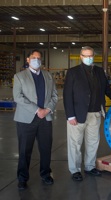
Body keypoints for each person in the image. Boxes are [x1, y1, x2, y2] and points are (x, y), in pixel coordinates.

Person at [63, 46, 111, 181]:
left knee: (93, 142)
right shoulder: (73, 72)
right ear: (81, 57)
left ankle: (90, 167)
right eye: (86, 56)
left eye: (91, 55)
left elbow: (107, 89)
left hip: (95, 113)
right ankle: (75, 170)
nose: (89, 58)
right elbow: (67, 94)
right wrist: (70, 115)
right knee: (75, 143)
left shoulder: (99, 71)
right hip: (77, 114)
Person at [13, 49, 58, 190]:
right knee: (25, 150)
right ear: (28, 59)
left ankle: (45, 174)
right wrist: (37, 110)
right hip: (26, 119)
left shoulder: (48, 76)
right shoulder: (20, 76)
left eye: (39, 58)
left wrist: (47, 110)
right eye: (33, 57)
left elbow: (55, 96)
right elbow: (18, 97)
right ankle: (22, 178)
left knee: (46, 148)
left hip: (45, 118)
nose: (36, 60)